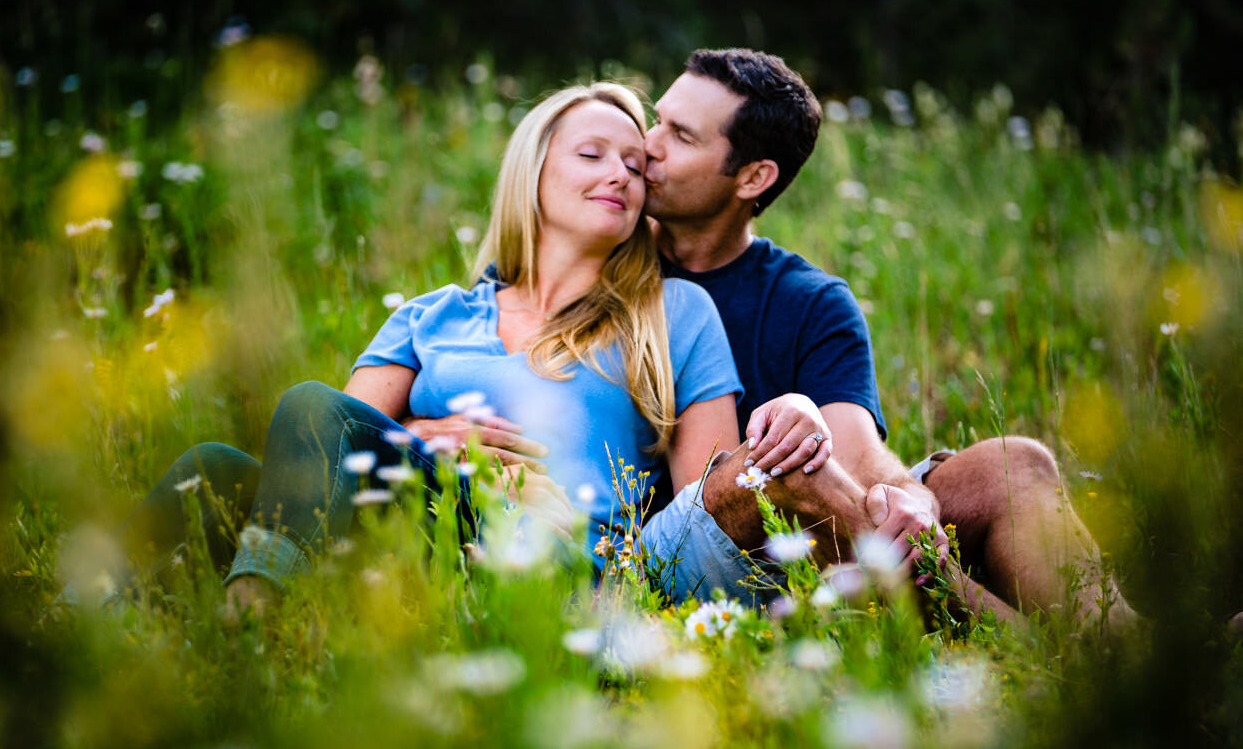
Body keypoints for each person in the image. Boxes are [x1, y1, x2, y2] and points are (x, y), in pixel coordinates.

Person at [412, 49, 1136, 628]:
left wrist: (906, 500)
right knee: (784, 476)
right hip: (679, 543)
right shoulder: (592, 241)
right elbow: (488, 351)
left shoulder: (806, 301)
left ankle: (1130, 655)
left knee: (1016, 462)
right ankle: (1046, 663)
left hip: (816, 522)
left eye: (680, 137)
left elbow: (848, 454)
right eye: (657, 120)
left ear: (752, 176)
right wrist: (424, 429)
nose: (647, 147)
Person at [105, 81, 833, 614]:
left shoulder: (673, 313)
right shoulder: (434, 316)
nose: (620, 173)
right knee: (214, 467)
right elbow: (330, 447)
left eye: (634, 166)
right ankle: (82, 618)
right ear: (535, 169)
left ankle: (252, 624)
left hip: (555, 560)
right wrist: (431, 436)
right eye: (592, 154)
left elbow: (706, 507)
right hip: (409, 527)